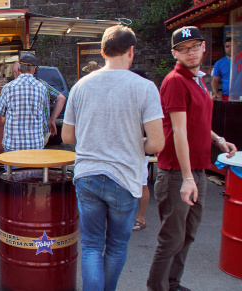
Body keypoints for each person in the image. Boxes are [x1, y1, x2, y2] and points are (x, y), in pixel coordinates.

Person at [61, 25, 165, 291]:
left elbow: (68, 137)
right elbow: (156, 143)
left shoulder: (81, 85)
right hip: (125, 178)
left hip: (87, 175)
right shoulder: (145, 87)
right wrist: (130, 142)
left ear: (102, 52)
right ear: (131, 51)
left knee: (92, 246)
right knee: (117, 246)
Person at [147, 26, 237, 291]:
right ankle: (158, 287)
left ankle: (173, 284)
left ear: (204, 48)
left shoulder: (198, 79)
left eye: (194, 46)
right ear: (174, 52)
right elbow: (178, 131)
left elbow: (195, 122)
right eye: (183, 49)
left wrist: (217, 139)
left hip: (197, 170)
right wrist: (187, 178)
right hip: (178, 173)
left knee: (187, 235)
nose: (190, 52)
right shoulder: (175, 80)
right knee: (172, 237)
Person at [0, 54, 66, 151]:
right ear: (34, 69)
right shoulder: (42, 87)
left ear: (19, 68)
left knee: (12, 166)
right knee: (33, 166)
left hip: (13, 143)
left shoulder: (8, 87)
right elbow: (43, 110)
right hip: (35, 143)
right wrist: (52, 120)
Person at [129, 67, 152, 231]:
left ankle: (141, 217)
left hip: (139, 149)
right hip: (125, 149)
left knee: (142, 184)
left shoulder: (145, 99)